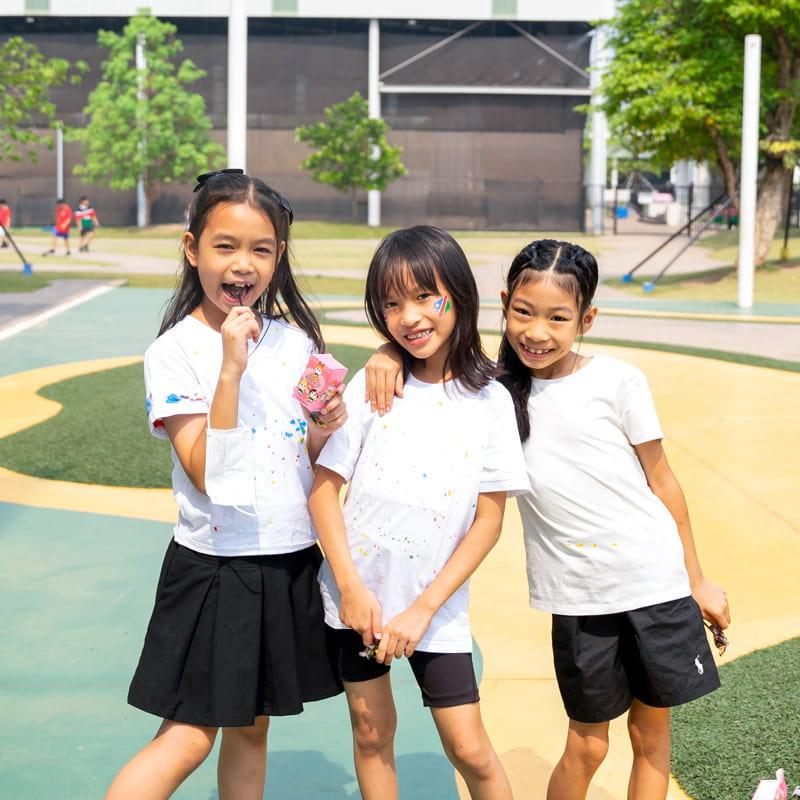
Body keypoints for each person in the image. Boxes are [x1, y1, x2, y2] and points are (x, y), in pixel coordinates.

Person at [105, 169, 346, 800]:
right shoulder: (176, 352)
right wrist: (231, 371)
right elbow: (211, 473)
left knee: (253, 730)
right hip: (217, 568)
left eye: (260, 249)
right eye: (225, 246)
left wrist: (327, 424)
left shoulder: (295, 341)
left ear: (279, 257)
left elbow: (309, 456)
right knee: (189, 736)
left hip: (288, 561)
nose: (243, 264)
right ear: (192, 249)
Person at [496, 239, 730, 800]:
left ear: (587, 318)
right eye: (523, 312)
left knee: (652, 736)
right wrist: (384, 357)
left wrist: (697, 579)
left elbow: (663, 481)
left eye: (558, 318)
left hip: (655, 581)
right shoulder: (494, 393)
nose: (537, 332)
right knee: (588, 745)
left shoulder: (618, 381)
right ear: (504, 303)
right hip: (579, 600)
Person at [308, 225, 528, 800]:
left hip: (436, 609)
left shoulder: (491, 401)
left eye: (427, 296)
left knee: (470, 749)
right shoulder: (374, 383)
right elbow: (324, 489)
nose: (410, 316)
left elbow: (489, 521)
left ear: (458, 292)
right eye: (391, 303)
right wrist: (352, 591)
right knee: (371, 733)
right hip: (359, 605)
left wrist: (425, 608)